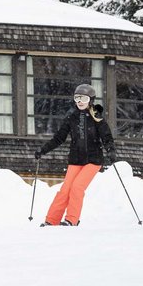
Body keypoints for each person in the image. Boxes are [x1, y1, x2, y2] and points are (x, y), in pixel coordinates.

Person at [35, 83, 116, 226]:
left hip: (93, 160)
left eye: (83, 99)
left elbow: (107, 137)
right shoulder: (71, 118)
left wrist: (111, 150)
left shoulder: (97, 119)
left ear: (90, 100)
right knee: (65, 190)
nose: (79, 102)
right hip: (75, 160)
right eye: (77, 98)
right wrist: (43, 150)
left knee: (77, 187)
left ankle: (72, 220)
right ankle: (51, 221)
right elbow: (59, 138)